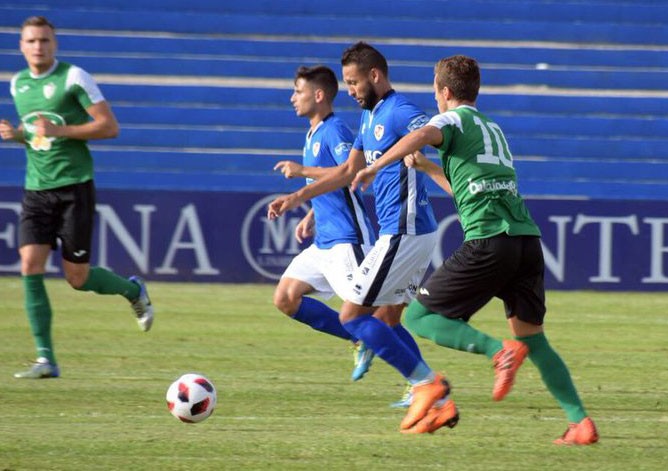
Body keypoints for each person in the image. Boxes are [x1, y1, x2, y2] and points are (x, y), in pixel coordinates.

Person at [351, 54, 599, 444]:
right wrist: (431, 171)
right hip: (525, 242)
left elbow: (419, 135)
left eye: (435, 90)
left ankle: (498, 351)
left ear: (445, 92)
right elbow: (468, 192)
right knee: (534, 339)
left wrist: (376, 164)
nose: (434, 99)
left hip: (489, 242)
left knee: (417, 318)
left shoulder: (451, 120)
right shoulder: (492, 127)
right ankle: (580, 422)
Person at [268, 42, 459, 434]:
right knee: (383, 317)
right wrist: (299, 198)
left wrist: (413, 158)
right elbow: (345, 172)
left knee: (354, 316)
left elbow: (430, 131)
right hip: (406, 231)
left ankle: (429, 386)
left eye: (354, 82)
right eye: (347, 83)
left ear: (375, 76)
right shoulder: (370, 115)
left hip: (403, 229)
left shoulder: (398, 109)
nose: (350, 90)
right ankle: (434, 398)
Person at [0, 16, 154, 379]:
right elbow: (40, 135)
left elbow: (109, 126)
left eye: (45, 41)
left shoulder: (73, 78)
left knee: (77, 278)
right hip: (36, 189)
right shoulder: (18, 84)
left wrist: (62, 129)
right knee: (29, 266)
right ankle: (45, 359)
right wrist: (18, 135)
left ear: (55, 44)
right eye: (32, 41)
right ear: (21, 46)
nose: (39, 47)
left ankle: (132, 290)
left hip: (74, 187)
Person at [271, 65, 378, 382]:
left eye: (298, 91)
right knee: (286, 298)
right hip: (324, 243)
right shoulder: (313, 133)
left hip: (348, 240)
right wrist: (313, 214)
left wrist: (301, 179)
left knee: (377, 314)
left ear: (318, 96)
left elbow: (350, 172)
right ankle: (360, 340)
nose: (293, 98)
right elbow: (333, 182)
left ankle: (421, 380)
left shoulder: (335, 130)